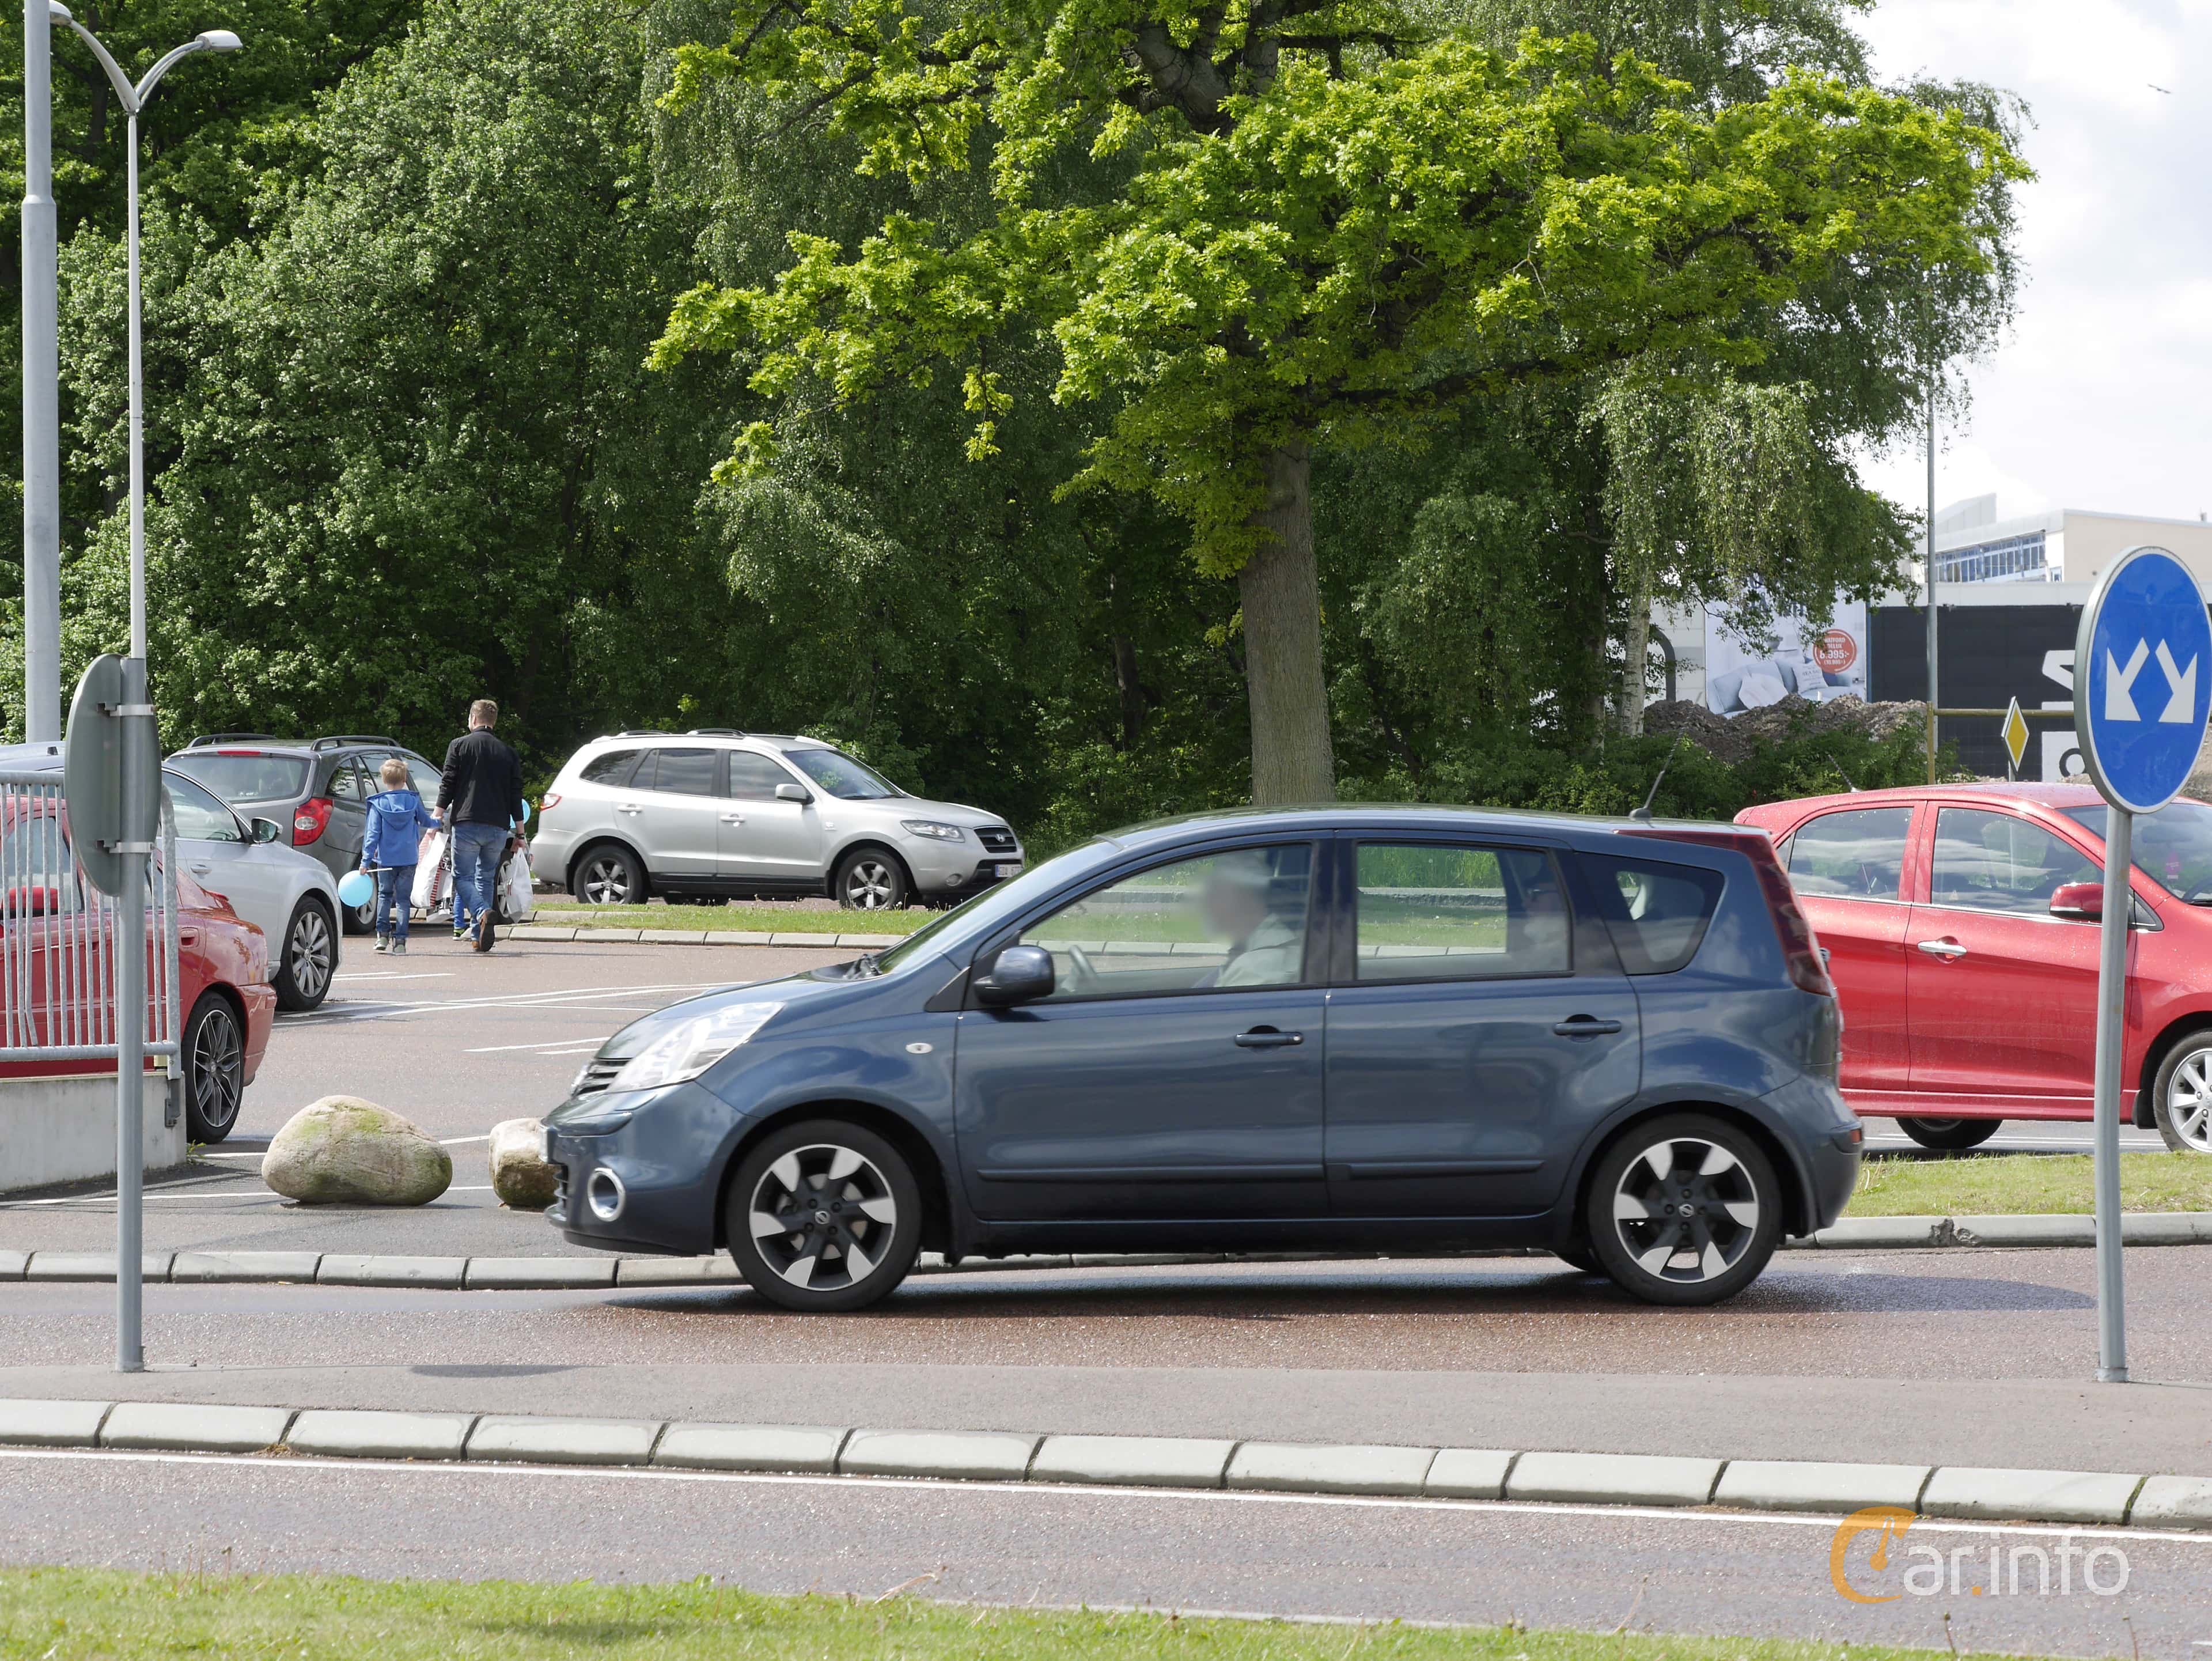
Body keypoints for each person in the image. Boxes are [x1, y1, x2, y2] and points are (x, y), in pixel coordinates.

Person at [438, 698, 527, 954]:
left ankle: (480, 911)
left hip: (467, 823)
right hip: (498, 827)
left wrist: (437, 817)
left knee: (462, 877)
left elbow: (448, 784)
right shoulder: (508, 753)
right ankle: (479, 936)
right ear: (493, 721)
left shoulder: (459, 746)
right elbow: (515, 795)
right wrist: (520, 833)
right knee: (485, 877)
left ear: (473, 720)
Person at [361, 758, 440, 955]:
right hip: (408, 859)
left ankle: (382, 936)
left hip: (385, 860)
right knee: (404, 901)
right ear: (404, 779)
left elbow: (372, 835)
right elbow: (425, 821)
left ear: (384, 780)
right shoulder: (413, 800)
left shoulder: (378, 804)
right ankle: (401, 942)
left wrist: (365, 861)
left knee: (385, 896)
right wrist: (438, 822)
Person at [1198, 850, 1304, 986]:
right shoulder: (1247, 952)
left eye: (1217, 894)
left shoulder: (1254, 969)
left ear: (1243, 900)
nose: (1209, 904)